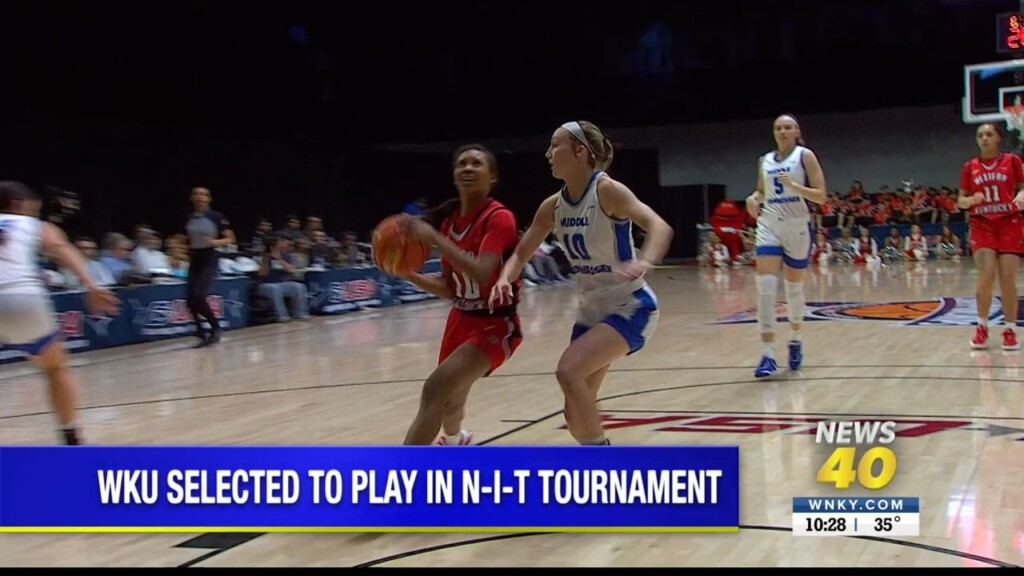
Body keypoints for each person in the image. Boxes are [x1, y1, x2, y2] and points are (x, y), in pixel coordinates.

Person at [489, 120, 673, 446]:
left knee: (568, 371)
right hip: (590, 311)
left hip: (629, 306)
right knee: (574, 417)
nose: (547, 153)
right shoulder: (553, 206)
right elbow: (522, 252)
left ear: (579, 150)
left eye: (554, 144)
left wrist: (644, 260)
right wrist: (504, 278)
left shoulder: (607, 190)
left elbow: (659, 226)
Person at [399, 144, 523, 446]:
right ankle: (456, 443)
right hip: (460, 320)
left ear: (492, 177)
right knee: (450, 405)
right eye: (462, 163)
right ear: (454, 175)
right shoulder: (448, 221)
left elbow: (483, 272)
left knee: (434, 389)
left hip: (496, 324)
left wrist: (436, 240)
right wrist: (408, 274)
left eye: (477, 164)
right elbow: (451, 288)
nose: (468, 168)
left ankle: (403, 477)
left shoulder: (499, 217)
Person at [0, 181, 119, 445]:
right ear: (18, 205)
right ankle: (70, 435)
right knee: (55, 367)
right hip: (19, 295)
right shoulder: (32, 225)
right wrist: (91, 285)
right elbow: (60, 248)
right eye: (34, 208)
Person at [744, 114, 828, 378]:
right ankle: (767, 354)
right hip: (770, 223)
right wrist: (752, 198)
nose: (782, 131)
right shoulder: (765, 161)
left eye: (787, 127)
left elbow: (822, 196)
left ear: (796, 131)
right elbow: (761, 191)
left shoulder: (805, 156)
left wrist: (795, 186)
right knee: (766, 288)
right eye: (778, 127)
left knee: (793, 289)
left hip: (797, 224)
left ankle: (795, 338)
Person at [958, 123, 1024, 350]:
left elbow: (1023, 186)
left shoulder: (1012, 161)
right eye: (980, 135)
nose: (984, 138)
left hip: (1009, 223)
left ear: (998, 138)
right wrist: (970, 201)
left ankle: (1009, 329)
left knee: (1007, 278)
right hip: (982, 224)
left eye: (989, 134)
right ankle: (982, 326)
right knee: (985, 275)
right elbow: (961, 200)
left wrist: (1021, 196)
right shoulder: (970, 167)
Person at [184, 186, 234, 348]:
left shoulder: (216, 217)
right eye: (196, 194)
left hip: (210, 257)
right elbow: (180, 237)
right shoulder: (188, 218)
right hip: (195, 257)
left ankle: (215, 328)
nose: (199, 198)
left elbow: (230, 239)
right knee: (190, 299)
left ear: (209, 199)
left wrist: (214, 242)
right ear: (192, 198)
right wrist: (177, 247)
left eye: (203, 195)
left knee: (198, 294)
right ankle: (199, 329)